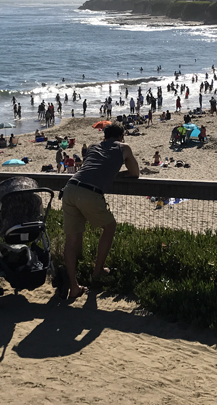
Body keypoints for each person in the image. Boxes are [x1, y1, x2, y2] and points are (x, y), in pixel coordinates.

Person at [61, 122, 140, 301]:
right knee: (110, 227)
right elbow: (135, 172)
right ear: (121, 136)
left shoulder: (93, 146)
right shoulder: (124, 147)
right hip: (89, 191)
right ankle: (98, 272)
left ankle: (74, 287)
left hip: (70, 187)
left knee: (71, 240)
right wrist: (117, 175)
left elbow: (92, 167)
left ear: (104, 136)